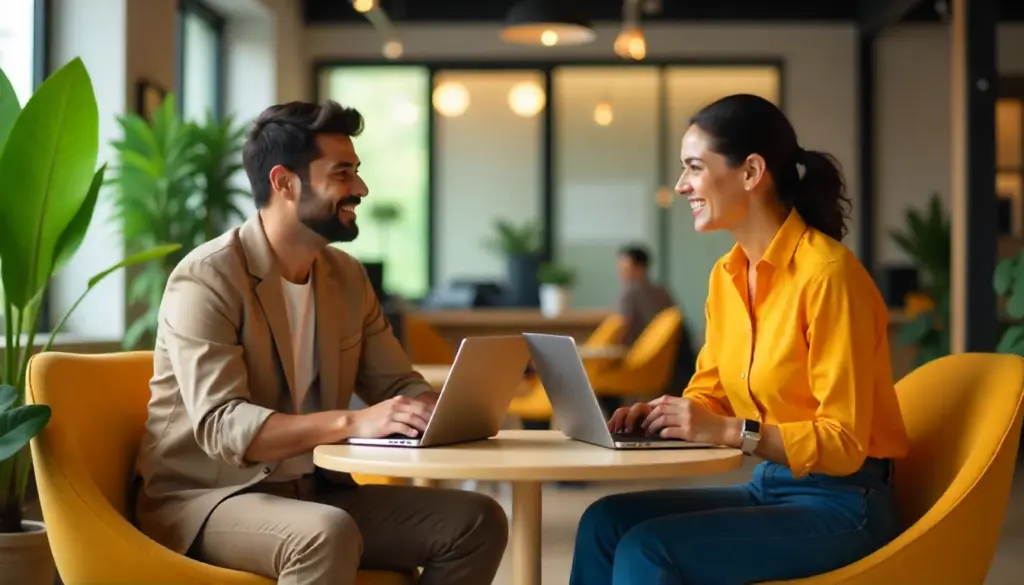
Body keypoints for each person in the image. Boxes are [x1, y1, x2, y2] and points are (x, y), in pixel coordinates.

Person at [134, 101, 508, 585]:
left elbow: (394, 382)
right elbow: (223, 426)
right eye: (342, 173)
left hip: (317, 490)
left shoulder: (346, 276)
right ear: (284, 183)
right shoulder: (207, 278)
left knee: (477, 522)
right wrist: (353, 421)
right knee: (324, 534)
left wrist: (442, 408)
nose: (361, 188)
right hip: (208, 500)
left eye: (357, 171)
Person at [569, 93, 910, 585]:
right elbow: (713, 392)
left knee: (650, 548)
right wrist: (668, 414)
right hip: (770, 485)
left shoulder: (828, 276)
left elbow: (844, 443)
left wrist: (732, 432)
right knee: (604, 523)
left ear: (751, 172)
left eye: (694, 168)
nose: (683, 185)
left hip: (843, 503)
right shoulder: (726, 276)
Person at [615, 245, 676, 347]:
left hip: (635, 354)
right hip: (664, 354)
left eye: (624, 267)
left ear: (639, 268)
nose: (620, 271)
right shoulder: (662, 291)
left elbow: (621, 328)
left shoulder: (629, 293)